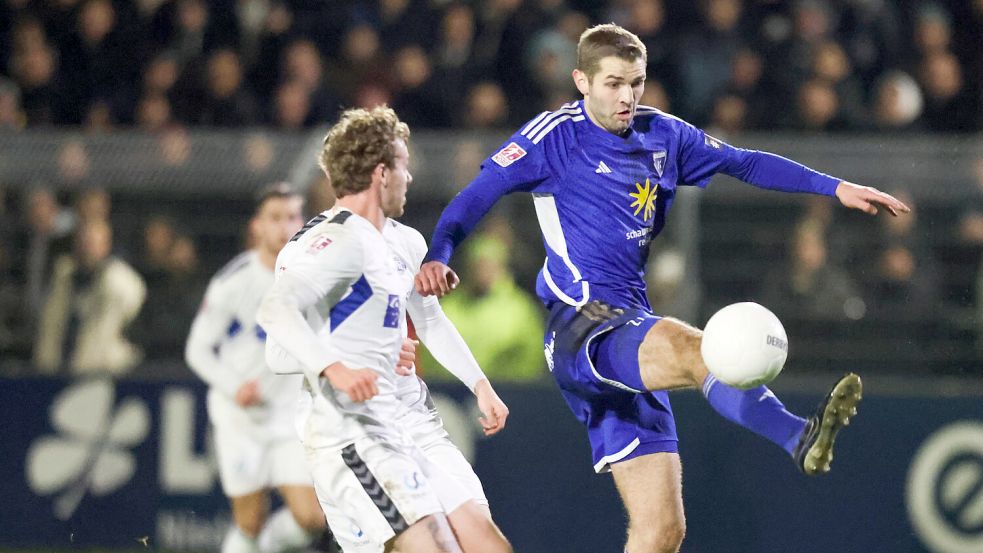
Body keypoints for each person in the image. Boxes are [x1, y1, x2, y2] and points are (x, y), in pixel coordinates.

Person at [415, 24, 911, 553]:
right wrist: (439, 254)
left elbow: (744, 162)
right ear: (581, 80)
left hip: (627, 324)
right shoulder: (552, 137)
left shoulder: (666, 135)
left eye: (636, 82)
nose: (626, 96)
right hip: (580, 323)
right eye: (612, 83)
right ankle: (796, 434)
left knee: (661, 533)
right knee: (697, 349)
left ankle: (793, 437)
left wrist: (834, 186)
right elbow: (477, 194)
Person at [257, 106, 513, 553]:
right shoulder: (330, 243)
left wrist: (479, 384)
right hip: (353, 432)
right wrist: (340, 366)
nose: (410, 178)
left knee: (487, 545)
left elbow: (428, 319)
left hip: (410, 422)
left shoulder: (402, 241)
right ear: (381, 174)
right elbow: (277, 342)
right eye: (404, 166)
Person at [184, 184, 331, 553]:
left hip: (288, 418)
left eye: (293, 217)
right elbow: (197, 349)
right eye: (276, 218)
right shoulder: (233, 281)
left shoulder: (317, 279)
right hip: (240, 418)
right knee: (249, 522)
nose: (286, 227)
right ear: (257, 227)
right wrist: (234, 387)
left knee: (312, 520)